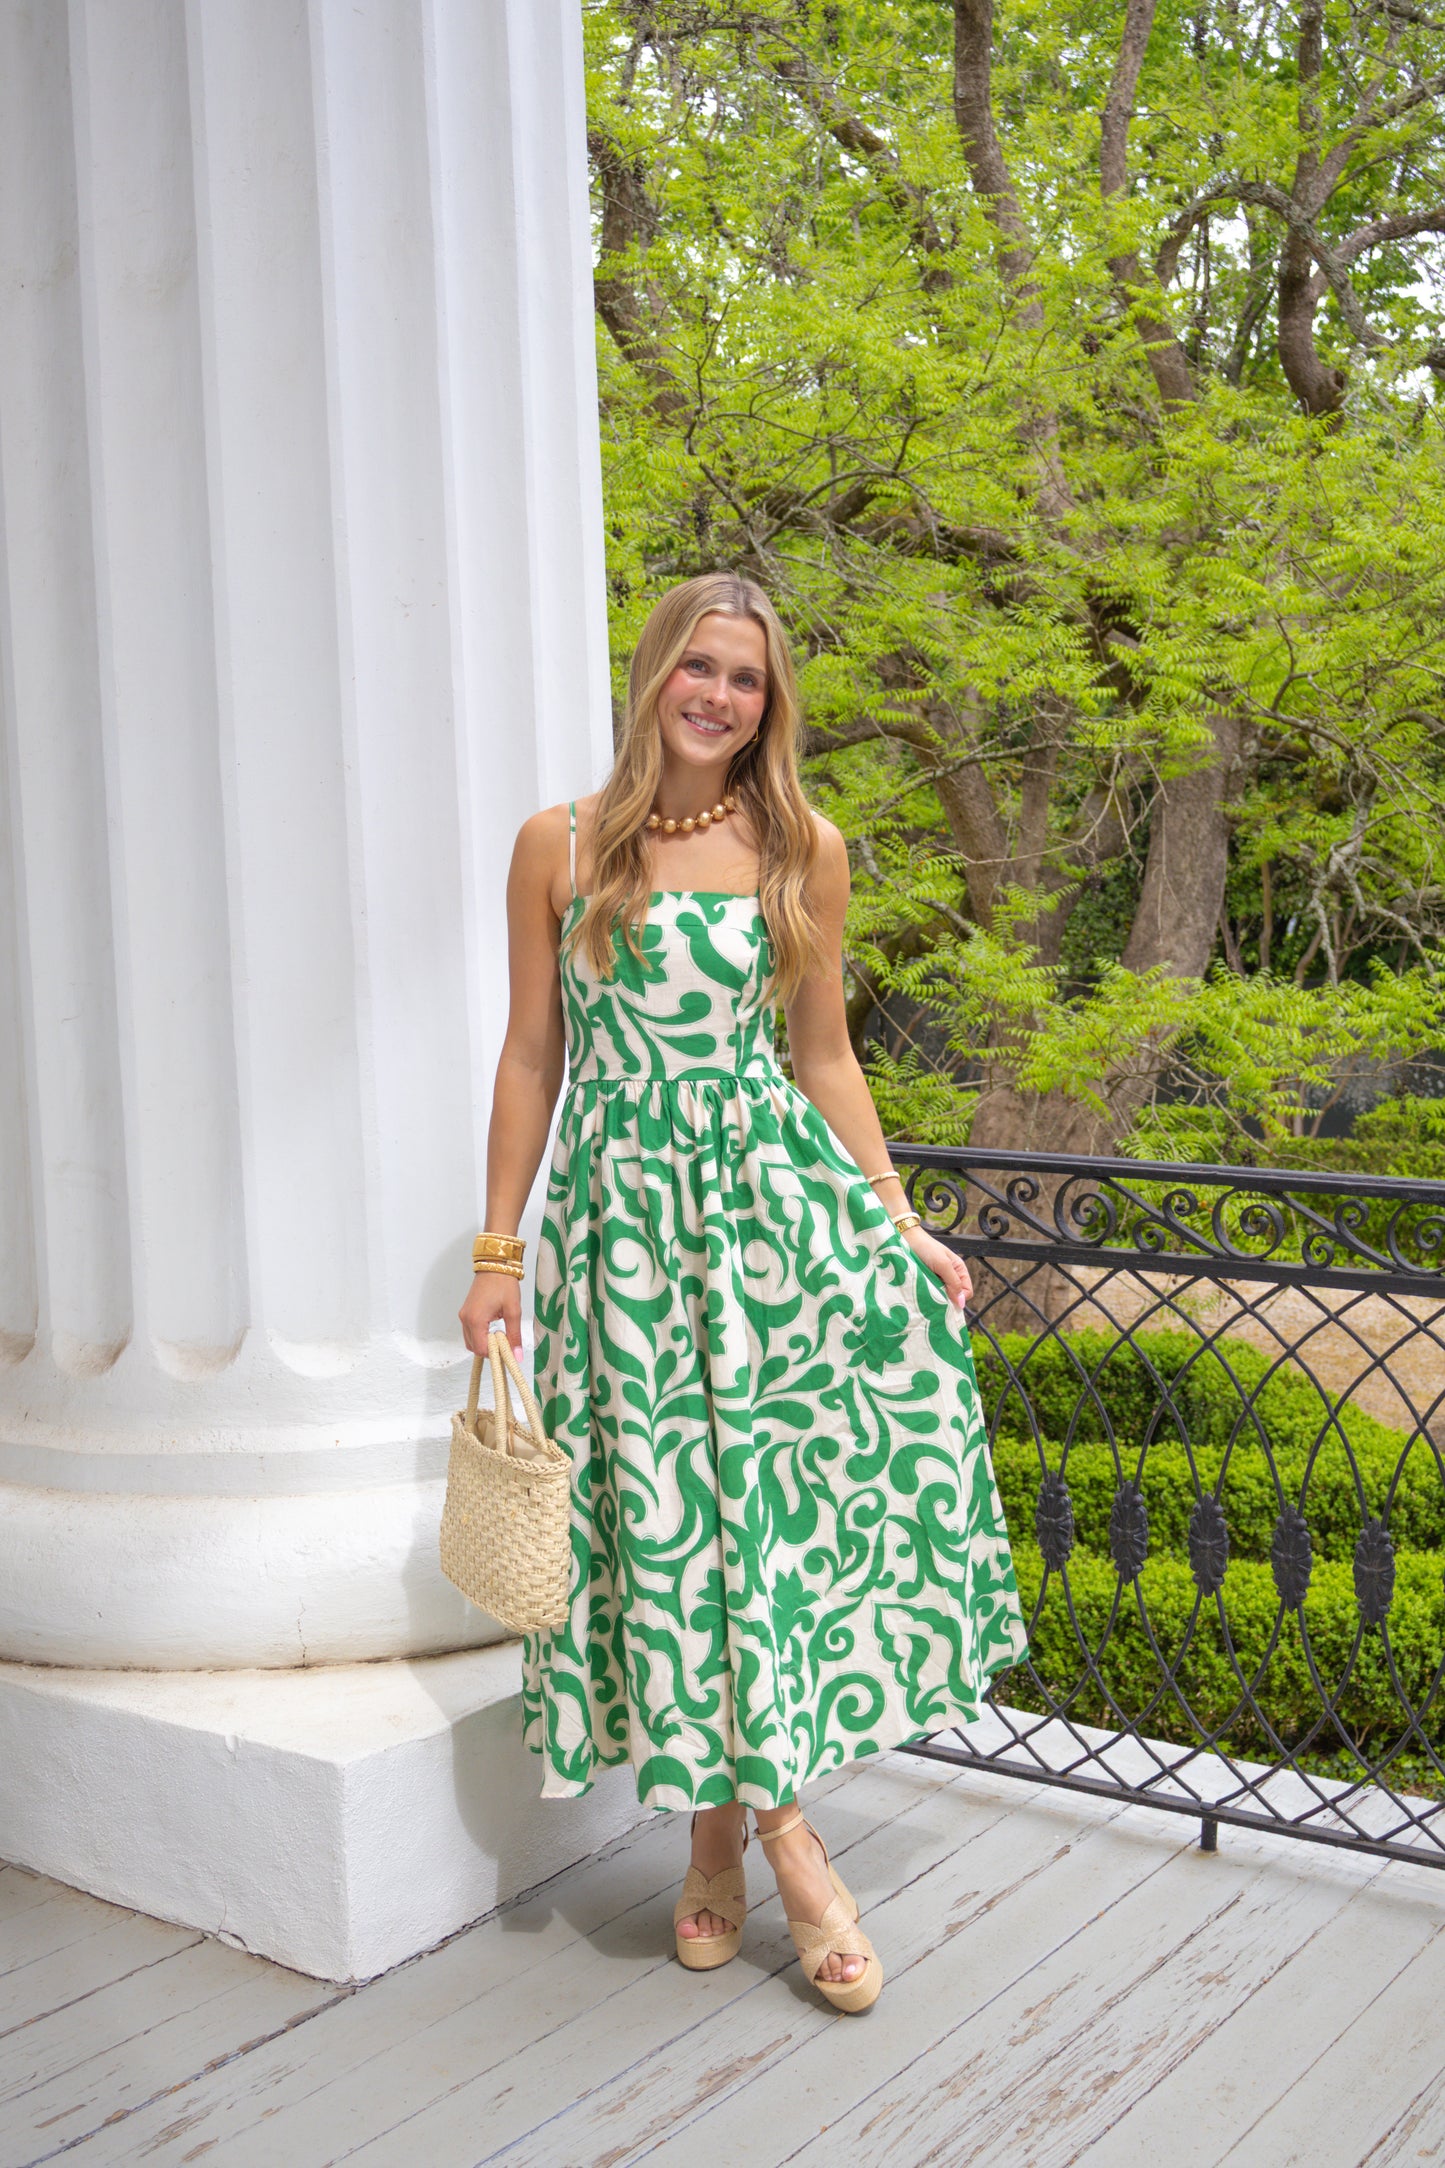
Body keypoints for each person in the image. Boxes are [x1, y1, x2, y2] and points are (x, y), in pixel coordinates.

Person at [459, 571, 1029, 2015]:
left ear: (769, 705)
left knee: (757, 1531)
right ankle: (762, 1841)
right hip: (620, 1236)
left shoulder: (801, 847)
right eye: (698, 666)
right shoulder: (557, 845)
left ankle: (748, 1837)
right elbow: (531, 1056)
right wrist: (497, 1255)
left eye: (746, 678)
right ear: (654, 672)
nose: (717, 695)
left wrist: (897, 1221)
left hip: (769, 1226)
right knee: (672, 1529)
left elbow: (823, 1053)